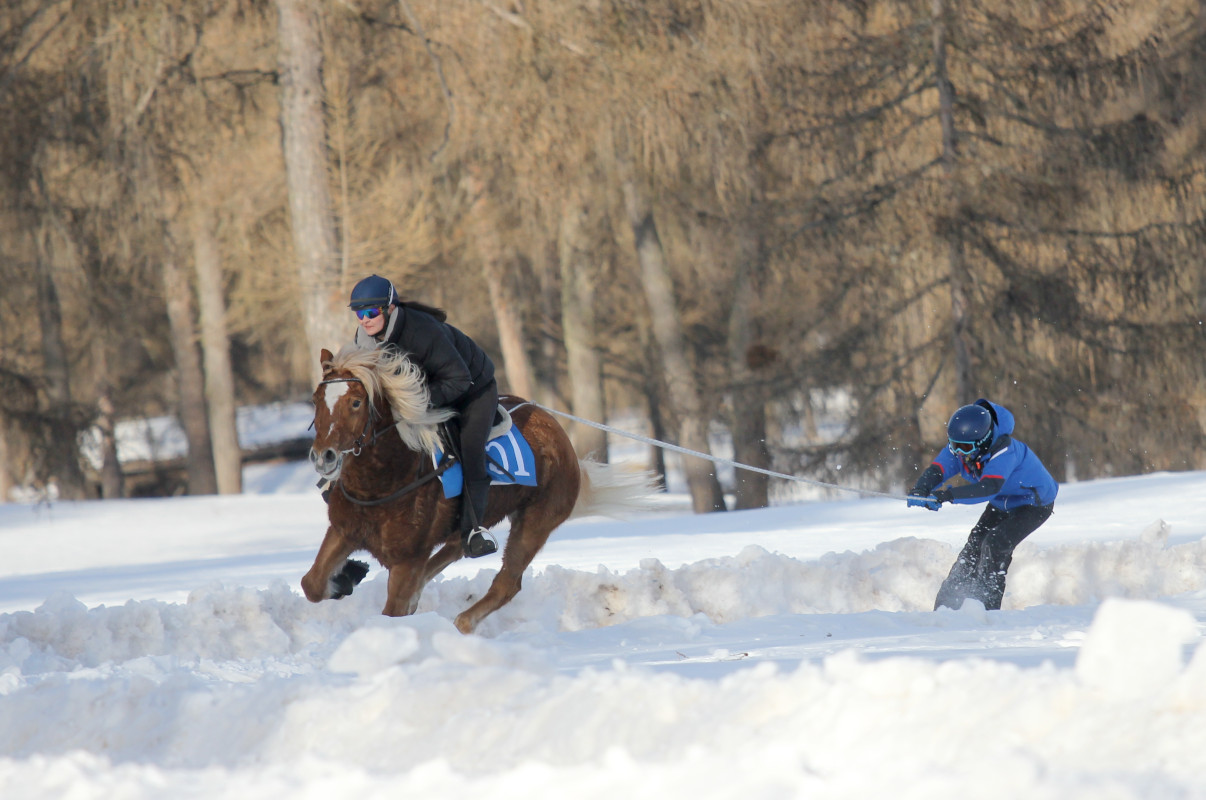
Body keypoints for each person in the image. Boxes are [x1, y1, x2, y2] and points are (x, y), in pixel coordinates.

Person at [347, 274, 500, 558]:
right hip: (423, 394)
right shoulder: (363, 340)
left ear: (390, 308)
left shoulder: (422, 332)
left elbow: (458, 380)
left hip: (472, 390)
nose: (365, 320)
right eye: (359, 313)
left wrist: (412, 403)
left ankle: (474, 531)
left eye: (371, 312)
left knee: (469, 449)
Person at [907, 399, 1058, 611]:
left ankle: (986, 610)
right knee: (975, 544)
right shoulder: (961, 448)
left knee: (996, 543)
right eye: (954, 445)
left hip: (1032, 504)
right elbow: (939, 469)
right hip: (1002, 502)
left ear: (984, 441)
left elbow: (988, 488)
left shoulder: (1005, 452)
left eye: (965, 447)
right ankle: (947, 607)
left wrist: (947, 496)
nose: (958, 452)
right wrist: (921, 489)